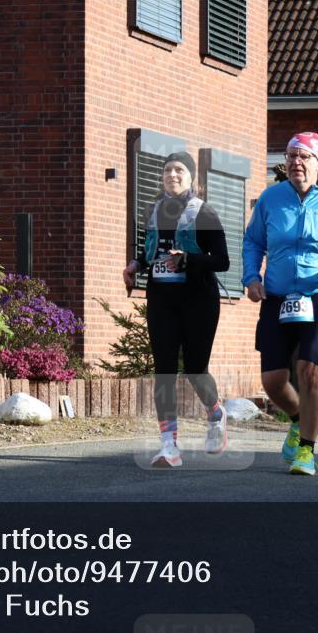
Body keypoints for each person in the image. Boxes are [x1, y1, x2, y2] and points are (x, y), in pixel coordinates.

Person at [242, 132, 318, 475]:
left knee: (310, 370)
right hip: (278, 295)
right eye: (290, 156)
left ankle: (307, 451)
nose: (296, 163)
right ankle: (298, 420)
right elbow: (253, 242)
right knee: (272, 380)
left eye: (304, 157)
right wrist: (251, 277)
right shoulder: (271, 199)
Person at [122, 152, 229, 467]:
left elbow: (222, 261)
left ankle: (215, 414)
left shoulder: (204, 212)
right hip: (162, 299)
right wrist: (135, 264)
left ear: (191, 177)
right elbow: (150, 251)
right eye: (167, 170)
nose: (172, 174)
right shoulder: (153, 211)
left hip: (199, 299)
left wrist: (189, 259)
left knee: (196, 369)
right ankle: (169, 445)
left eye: (179, 169)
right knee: (164, 370)